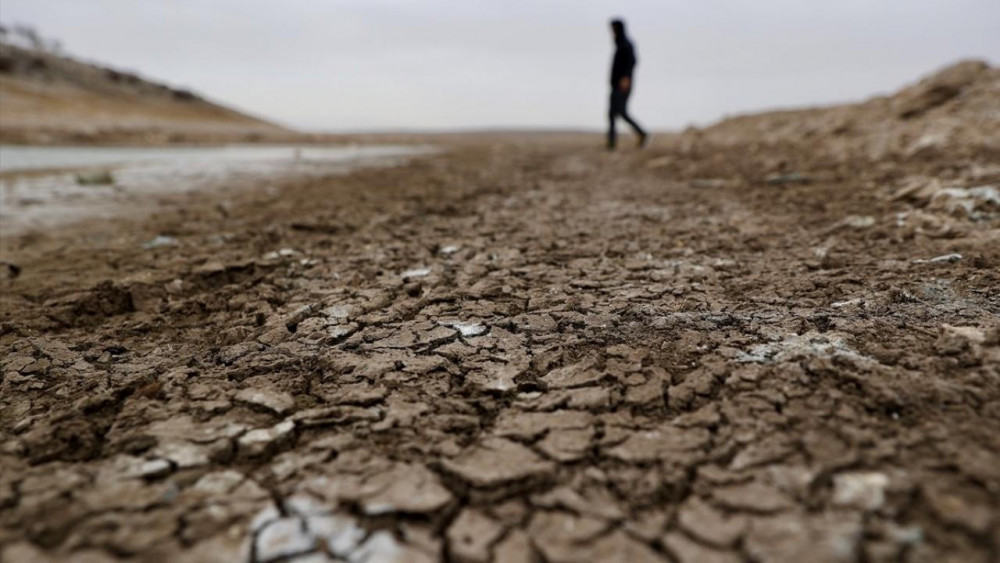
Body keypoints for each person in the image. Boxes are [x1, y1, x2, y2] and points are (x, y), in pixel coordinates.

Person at [607, 19, 648, 150]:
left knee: (621, 112)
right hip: (615, 84)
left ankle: (642, 133)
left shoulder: (626, 44)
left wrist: (626, 78)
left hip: (622, 85)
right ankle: (611, 143)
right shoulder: (619, 44)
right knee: (612, 113)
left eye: (613, 28)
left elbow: (632, 61)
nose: (611, 31)